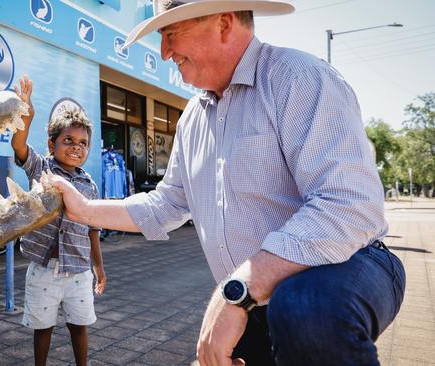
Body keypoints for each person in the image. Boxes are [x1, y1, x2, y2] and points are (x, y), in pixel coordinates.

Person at [45, 1, 405, 365]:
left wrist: (239, 291)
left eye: (171, 34)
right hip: (256, 300)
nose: (165, 51)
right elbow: (165, 205)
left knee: (305, 309)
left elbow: (348, 204)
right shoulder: (192, 120)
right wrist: (85, 209)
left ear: (224, 23)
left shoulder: (297, 78)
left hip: (347, 265)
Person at [12, 75, 106, 366]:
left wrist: (99, 267)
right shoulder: (41, 168)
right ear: (51, 144)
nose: (76, 147)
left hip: (79, 271)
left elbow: (92, 228)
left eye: (83, 143)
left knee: (80, 326)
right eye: (68, 140)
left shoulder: (89, 184)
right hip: (43, 268)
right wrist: (27, 110)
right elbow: (19, 146)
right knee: (43, 327)